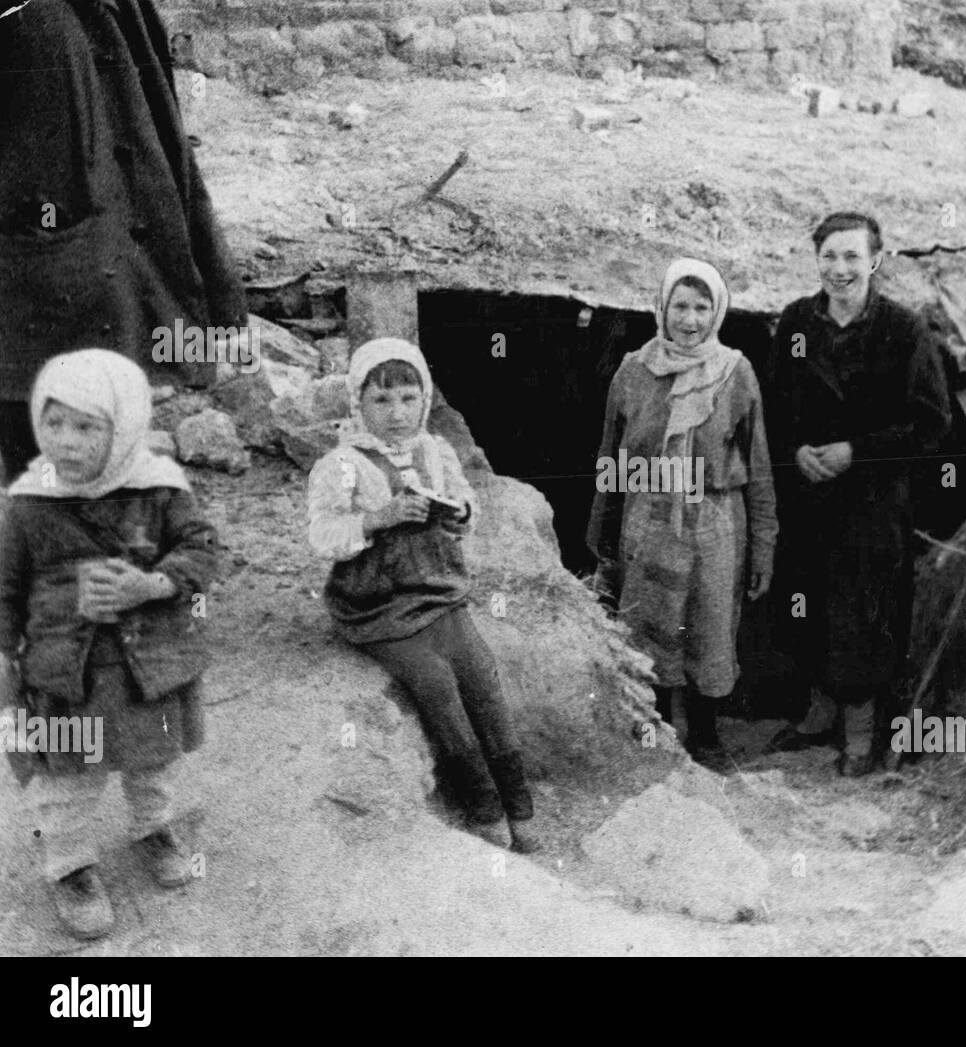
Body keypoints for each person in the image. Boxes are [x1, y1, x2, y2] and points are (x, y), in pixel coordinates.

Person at [0, 349, 218, 941]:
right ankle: (69, 867)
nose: (65, 441)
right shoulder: (25, 504)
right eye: (53, 422)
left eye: (86, 426)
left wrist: (152, 583)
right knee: (66, 780)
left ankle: (152, 828)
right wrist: (6, 663)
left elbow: (202, 551)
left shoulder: (159, 489)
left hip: (147, 666)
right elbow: (6, 590)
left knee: (152, 761)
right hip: (64, 675)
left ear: (121, 428)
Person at [306, 338, 539, 853]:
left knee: (480, 671)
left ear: (425, 399)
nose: (397, 414)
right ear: (358, 403)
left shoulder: (436, 450)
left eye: (408, 399)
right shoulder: (343, 464)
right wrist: (376, 518)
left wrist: (459, 513)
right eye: (381, 401)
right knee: (434, 681)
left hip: (437, 592)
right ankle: (482, 804)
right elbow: (322, 536)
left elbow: (466, 503)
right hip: (377, 605)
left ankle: (519, 802)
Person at [0, 0, 248, 480]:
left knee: (93, 420)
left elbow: (156, 138)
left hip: (105, 251)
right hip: (33, 257)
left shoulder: (116, 12)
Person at [764, 212, 951, 775]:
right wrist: (796, 450)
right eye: (829, 256)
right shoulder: (798, 322)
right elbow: (774, 401)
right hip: (810, 492)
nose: (840, 269)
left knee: (863, 611)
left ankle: (861, 733)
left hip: (873, 500)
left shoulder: (903, 329)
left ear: (875, 260)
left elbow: (932, 421)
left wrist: (857, 452)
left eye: (852, 257)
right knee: (806, 599)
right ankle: (819, 713)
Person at [586, 258, 777, 768]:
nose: (689, 320)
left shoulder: (736, 373)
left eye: (701, 307)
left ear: (717, 312)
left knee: (710, 622)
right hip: (648, 514)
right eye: (680, 306)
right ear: (661, 307)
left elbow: (758, 466)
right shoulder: (633, 369)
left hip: (716, 518)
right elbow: (612, 456)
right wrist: (602, 533)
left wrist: (764, 543)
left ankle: (707, 735)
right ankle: (660, 735)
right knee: (651, 623)